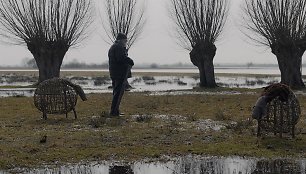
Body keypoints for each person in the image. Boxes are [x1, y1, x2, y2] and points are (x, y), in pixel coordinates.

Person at [108, 33, 134, 116]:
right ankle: (114, 112)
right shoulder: (118, 47)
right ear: (121, 40)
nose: (125, 42)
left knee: (116, 92)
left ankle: (115, 111)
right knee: (118, 93)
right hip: (119, 74)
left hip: (114, 73)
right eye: (125, 40)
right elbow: (120, 59)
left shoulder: (114, 46)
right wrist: (129, 60)